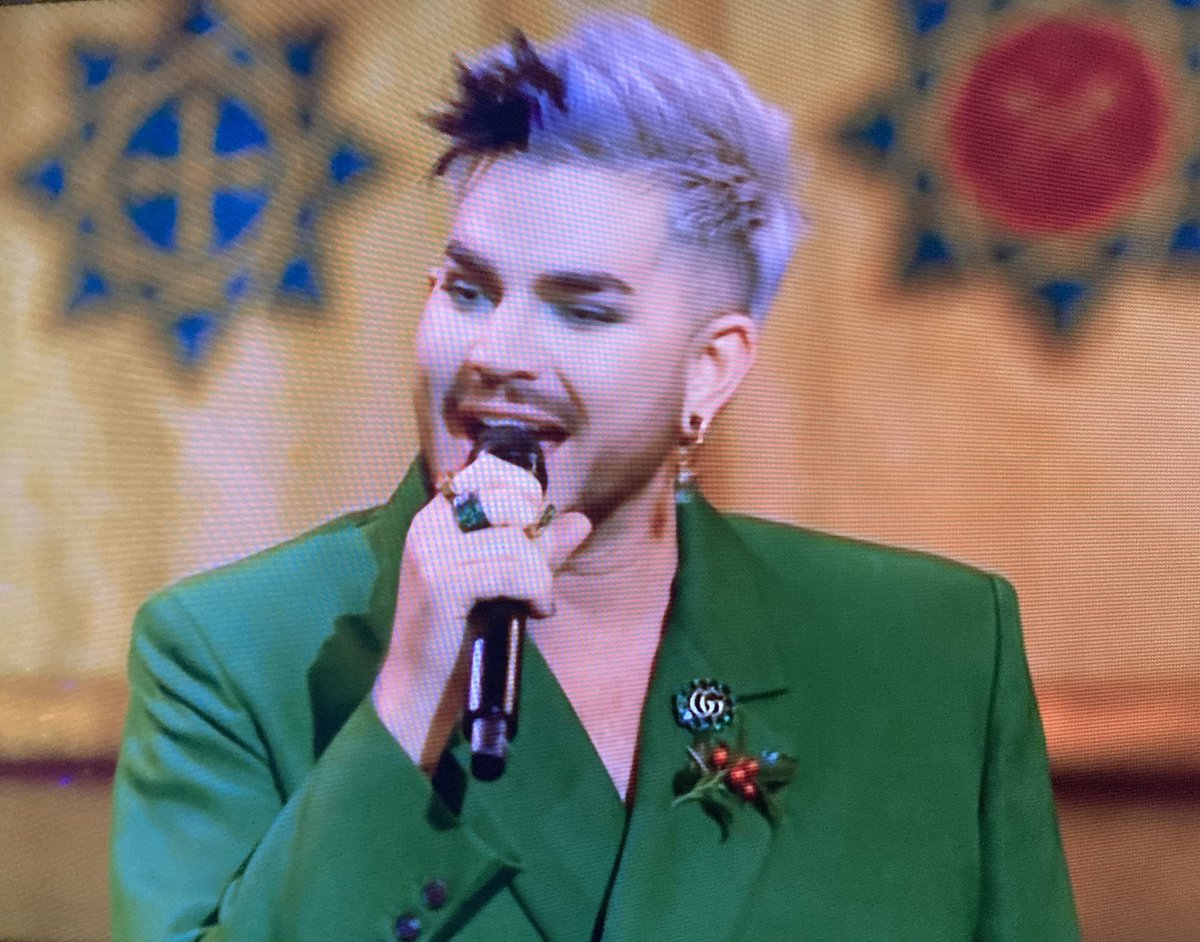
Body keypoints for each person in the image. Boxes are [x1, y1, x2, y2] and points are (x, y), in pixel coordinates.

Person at [110, 13, 1080, 941]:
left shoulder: (936, 652)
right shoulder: (232, 657)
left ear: (712, 368)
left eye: (582, 310)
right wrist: (405, 708)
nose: (495, 351)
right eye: (469, 289)